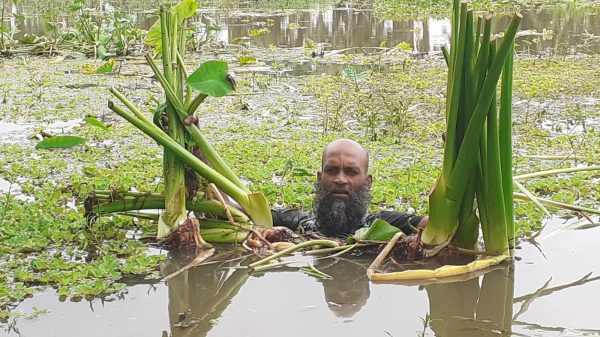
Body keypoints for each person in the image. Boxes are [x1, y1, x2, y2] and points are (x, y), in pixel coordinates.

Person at [271, 138, 428, 237]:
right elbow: (249, 211)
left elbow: (437, 227)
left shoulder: (382, 224)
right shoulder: (300, 224)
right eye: (331, 170)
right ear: (320, 178)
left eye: (351, 172)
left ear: (368, 182)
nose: (340, 179)